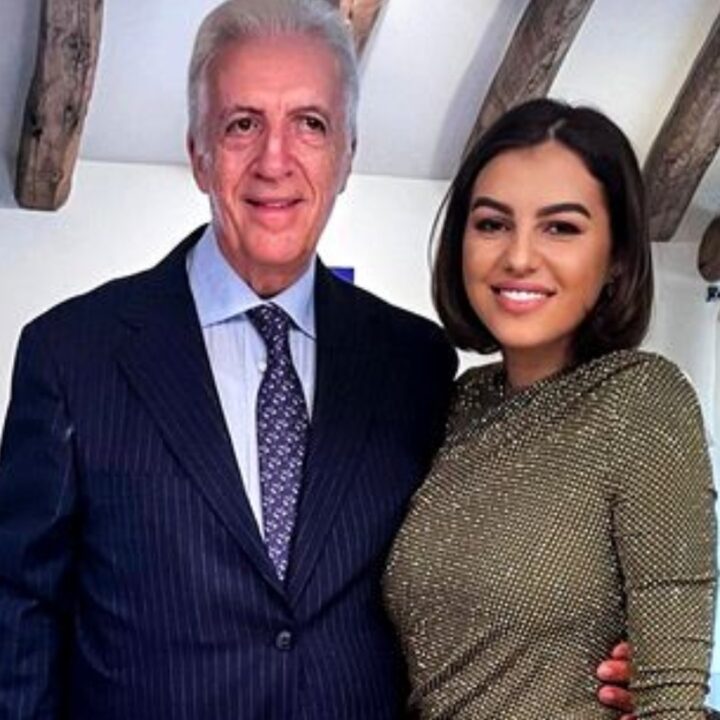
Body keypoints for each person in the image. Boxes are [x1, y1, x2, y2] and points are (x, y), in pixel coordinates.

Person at [0, 2, 633, 717]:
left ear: (347, 156)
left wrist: (600, 648)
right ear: (198, 153)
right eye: (242, 124)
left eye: (310, 123)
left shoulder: (416, 364)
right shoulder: (73, 355)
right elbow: (17, 614)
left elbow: (472, 567)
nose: (275, 161)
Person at [383, 97, 717, 719]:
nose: (518, 256)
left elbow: (671, 698)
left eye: (560, 227)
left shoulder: (643, 400)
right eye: (492, 224)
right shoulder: (456, 405)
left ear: (617, 258)